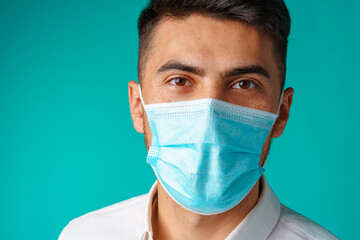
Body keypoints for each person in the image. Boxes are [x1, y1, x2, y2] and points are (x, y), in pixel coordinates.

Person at [59, 0, 338, 239]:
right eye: (179, 80)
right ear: (137, 106)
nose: (209, 121)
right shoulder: (83, 235)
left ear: (282, 112)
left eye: (244, 84)